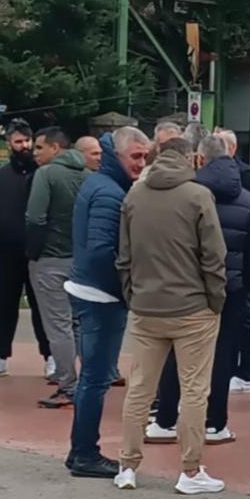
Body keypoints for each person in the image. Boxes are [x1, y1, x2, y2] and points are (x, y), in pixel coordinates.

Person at [114, 137, 228, 495]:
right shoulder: (197, 196)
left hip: (147, 306)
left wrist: (133, 293)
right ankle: (190, 471)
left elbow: (124, 255)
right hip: (193, 308)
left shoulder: (134, 195)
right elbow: (214, 254)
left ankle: (127, 465)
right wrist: (216, 299)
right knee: (194, 390)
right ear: (192, 157)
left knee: (139, 388)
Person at [147, 136, 250, 444]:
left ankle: (166, 418)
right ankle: (215, 423)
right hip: (233, 288)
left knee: (178, 352)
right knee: (223, 355)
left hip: (191, 287)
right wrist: (245, 281)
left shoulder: (190, 193)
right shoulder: (248, 198)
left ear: (201, 159)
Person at [64, 127, 150, 479]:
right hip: (100, 295)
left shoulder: (102, 186)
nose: (142, 163)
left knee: (94, 378)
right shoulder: (109, 194)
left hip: (93, 290)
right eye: (136, 157)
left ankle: (81, 451)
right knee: (96, 380)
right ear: (117, 155)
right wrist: (125, 287)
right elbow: (102, 251)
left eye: (145, 156)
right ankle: (84, 452)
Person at [0, 120, 52, 380]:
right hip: (8, 252)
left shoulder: (44, 174)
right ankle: (0, 356)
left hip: (39, 253)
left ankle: (50, 356)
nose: (24, 146)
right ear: (9, 144)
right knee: (5, 307)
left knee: (42, 308)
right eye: (18, 141)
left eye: (27, 141)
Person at [26, 127, 87, 408]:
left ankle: (67, 384)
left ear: (55, 148)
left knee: (57, 325)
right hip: (80, 259)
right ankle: (88, 379)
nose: (34, 153)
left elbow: (35, 217)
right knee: (78, 323)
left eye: (39, 147)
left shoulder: (46, 175)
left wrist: (33, 252)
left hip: (50, 259)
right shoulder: (88, 176)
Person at [214, 127, 250, 391]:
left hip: (238, 260)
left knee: (243, 317)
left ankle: (244, 371)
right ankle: (232, 368)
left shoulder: (245, 175)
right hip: (231, 259)